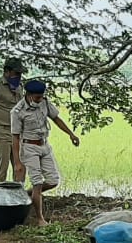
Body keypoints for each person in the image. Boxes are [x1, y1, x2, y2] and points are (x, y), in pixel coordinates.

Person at [10, 80, 80, 226]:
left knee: (53, 181)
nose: (39, 99)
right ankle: (39, 218)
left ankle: (26, 194)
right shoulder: (17, 111)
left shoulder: (45, 103)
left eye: (41, 96)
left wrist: (71, 134)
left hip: (44, 145)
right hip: (29, 148)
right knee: (37, 182)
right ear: (28, 95)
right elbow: (15, 137)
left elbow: (56, 119)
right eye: (37, 97)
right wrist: (17, 162)